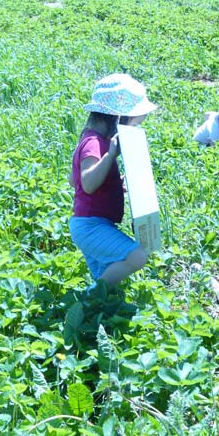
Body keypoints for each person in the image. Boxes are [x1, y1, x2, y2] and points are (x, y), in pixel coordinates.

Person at [69, 73, 157, 289]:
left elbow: (74, 180)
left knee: (107, 280)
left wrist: (113, 183)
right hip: (91, 226)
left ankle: (94, 307)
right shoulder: (95, 144)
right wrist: (110, 155)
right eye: (131, 123)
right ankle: (90, 296)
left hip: (93, 224)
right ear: (117, 118)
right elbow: (88, 183)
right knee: (137, 257)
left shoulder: (93, 139)